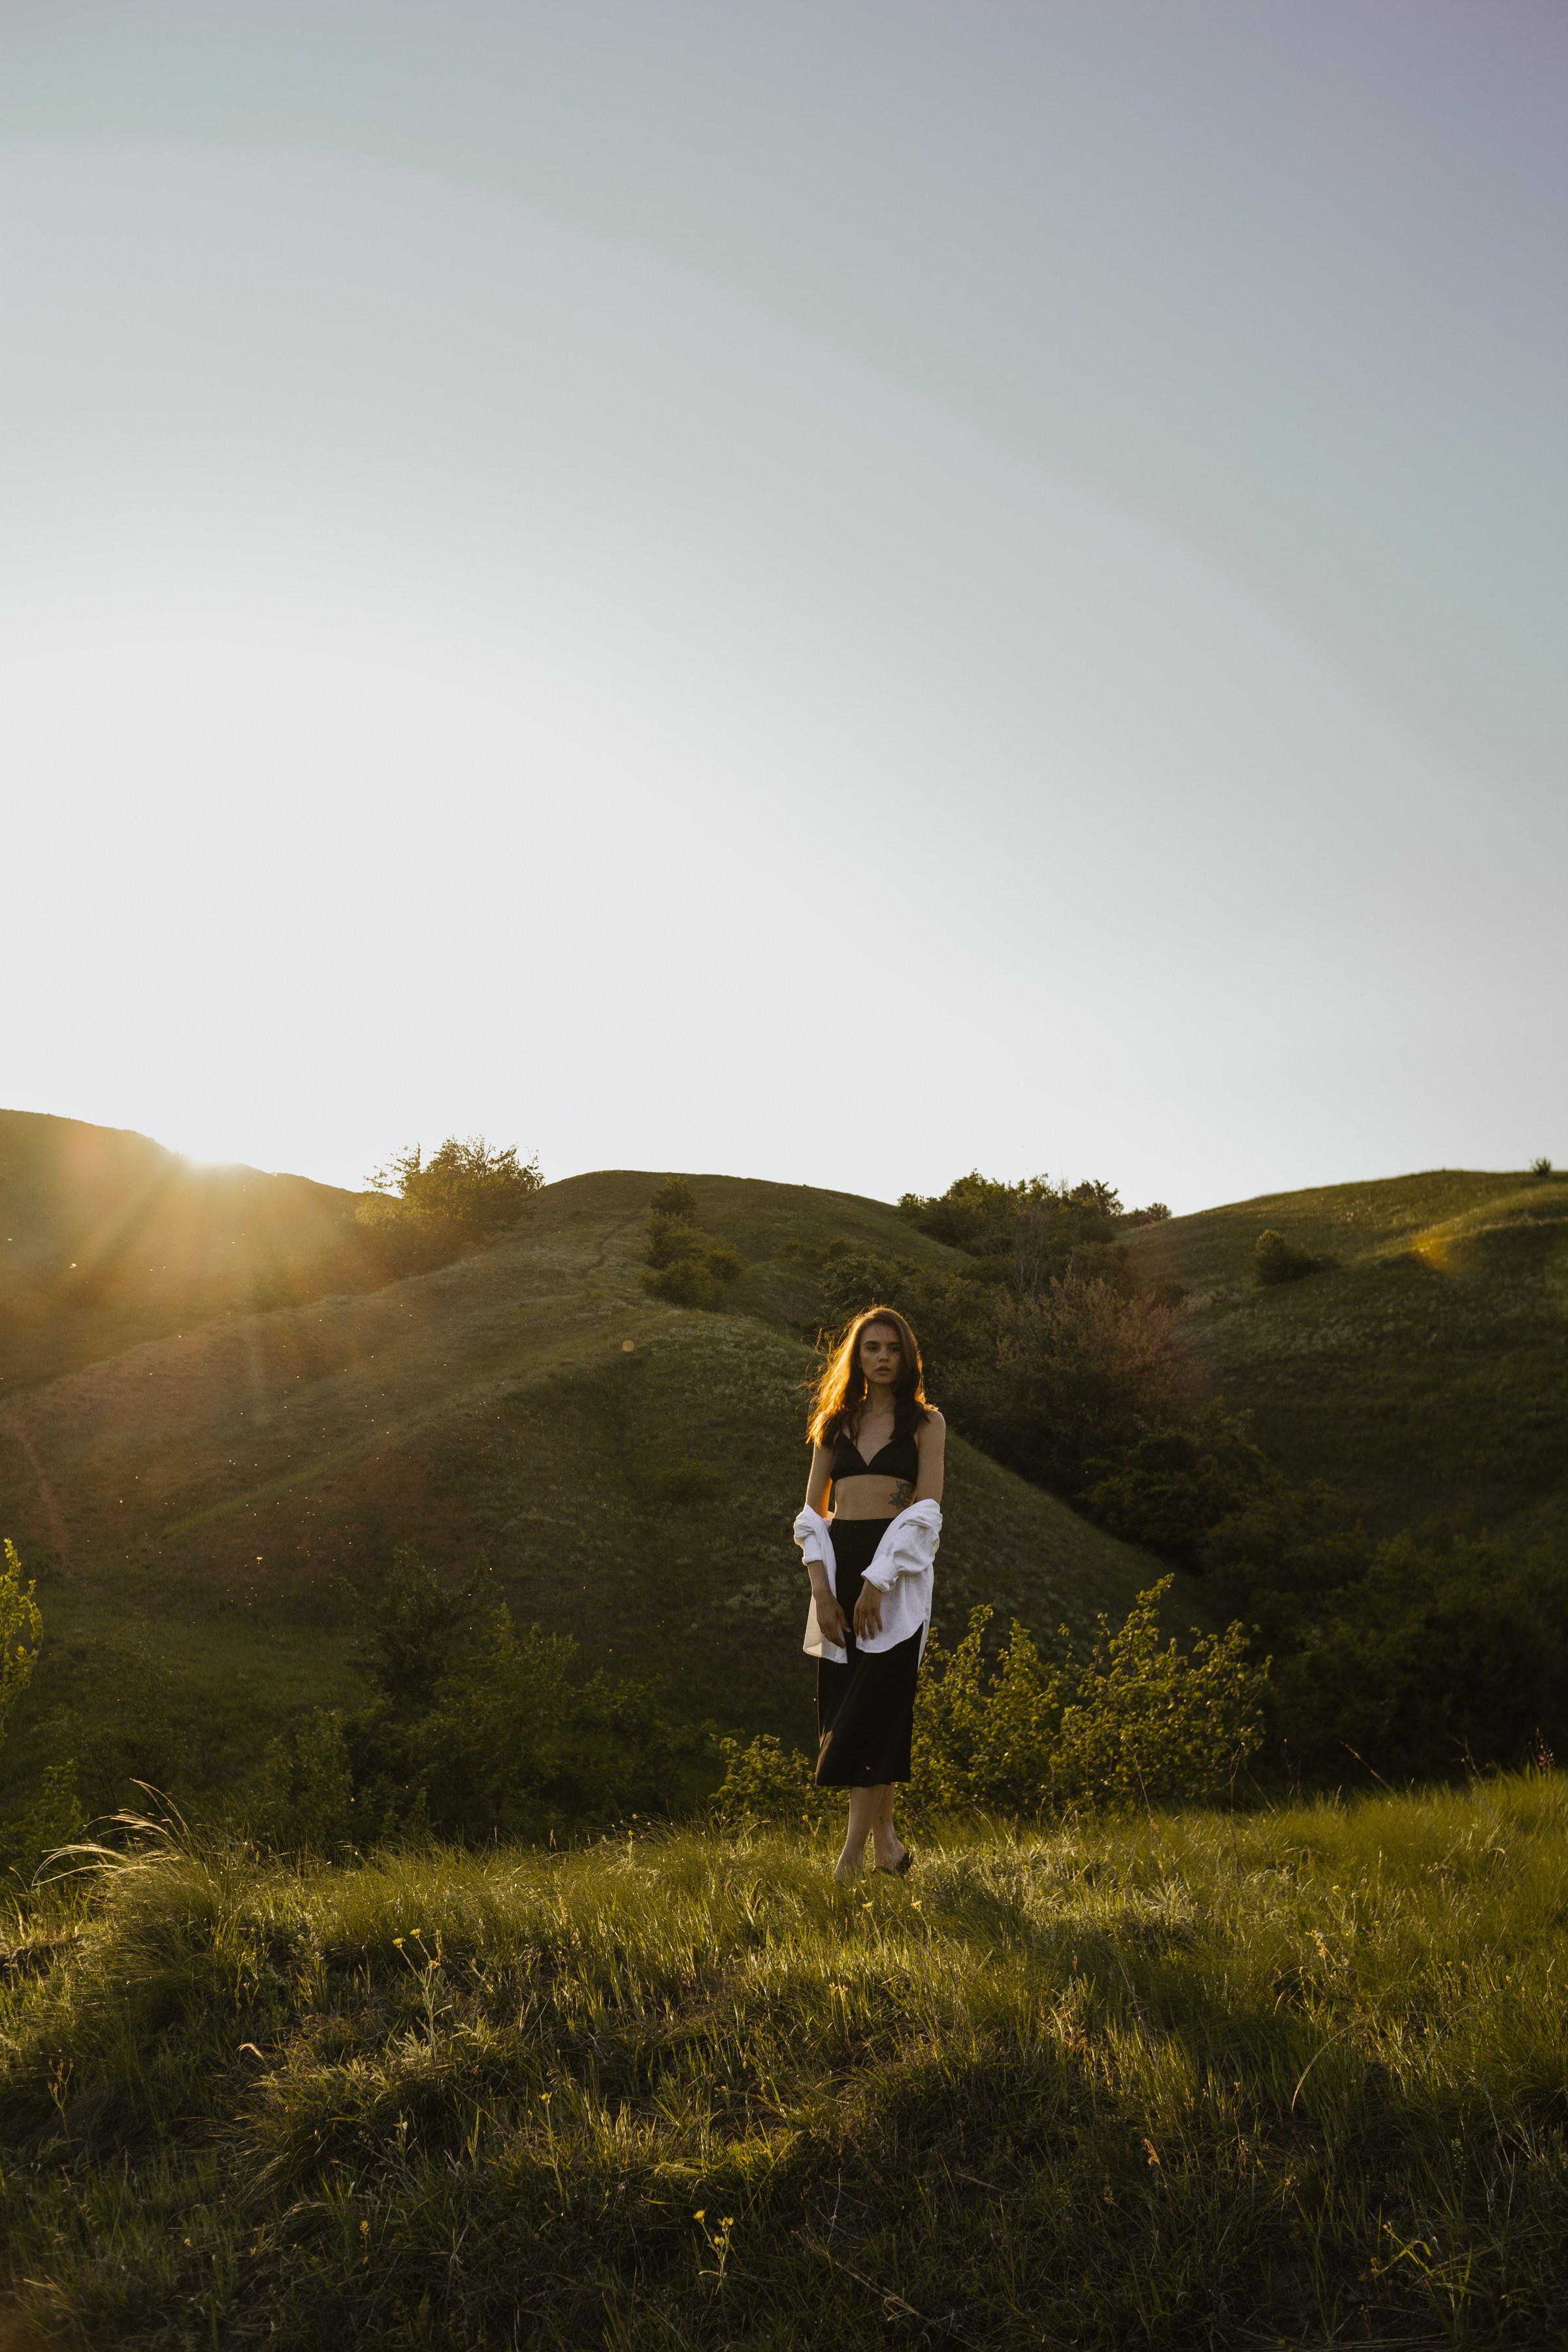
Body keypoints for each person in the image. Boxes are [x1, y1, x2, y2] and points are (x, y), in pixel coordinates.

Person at [794, 1305, 945, 1881]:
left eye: (893, 1348)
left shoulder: (927, 1423)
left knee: (876, 1707)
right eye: (871, 1348)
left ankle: (849, 1859)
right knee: (853, 1709)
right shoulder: (835, 1423)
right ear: (856, 1357)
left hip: (897, 1574)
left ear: (907, 1357)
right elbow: (811, 1514)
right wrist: (823, 1591)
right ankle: (887, 1842)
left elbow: (927, 1511)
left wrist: (877, 1582)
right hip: (840, 1567)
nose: (883, 1357)